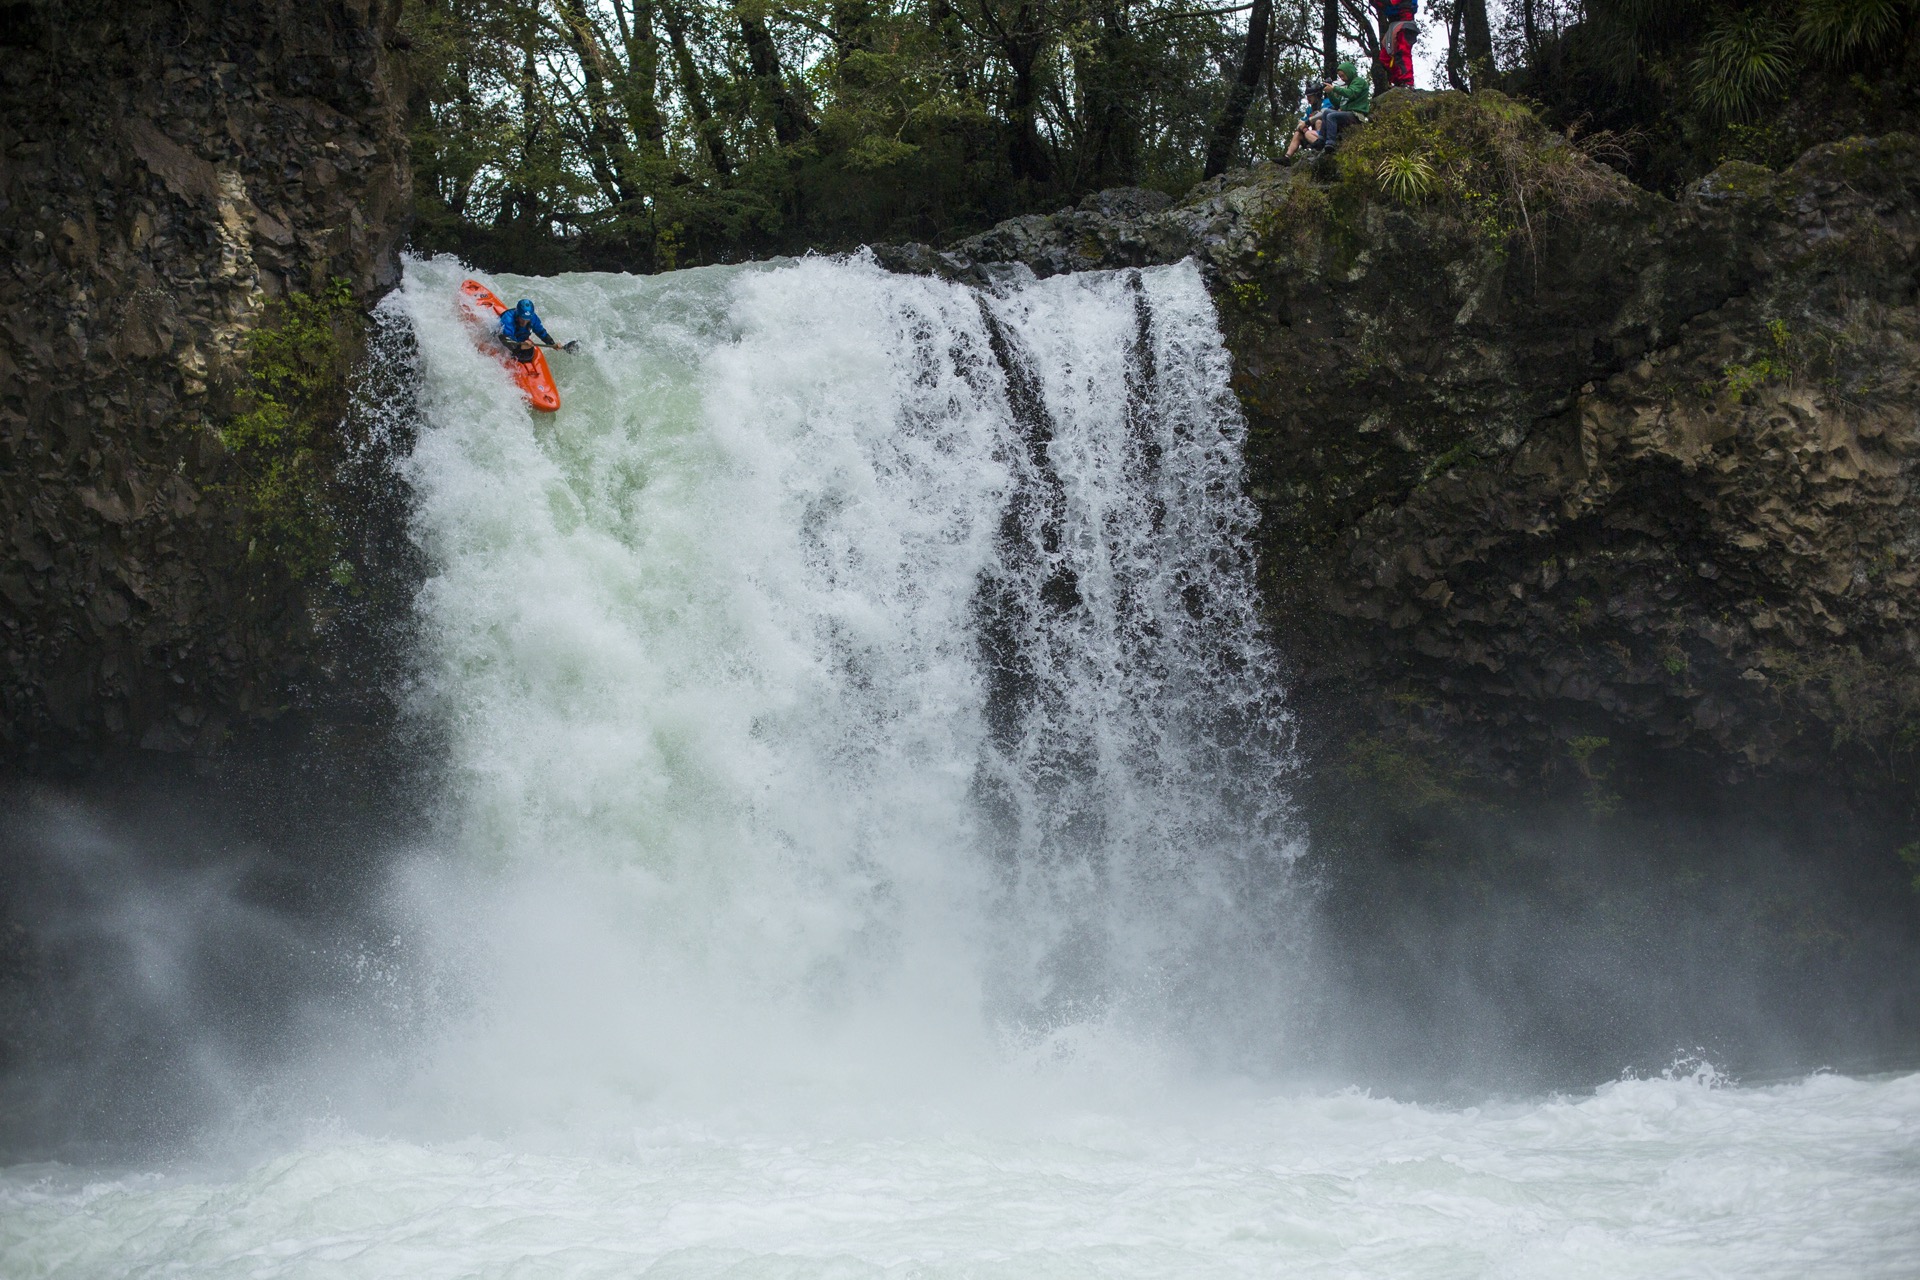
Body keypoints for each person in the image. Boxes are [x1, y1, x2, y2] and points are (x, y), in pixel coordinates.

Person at [1317, 59, 1372, 152]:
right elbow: (1338, 104)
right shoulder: (1347, 86)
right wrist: (1330, 93)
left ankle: (1330, 143)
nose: (1342, 78)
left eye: (1343, 75)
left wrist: (1334, 88)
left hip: (1356, 114)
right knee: (1326, 112)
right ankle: (1321, 140)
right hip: (1347, 112)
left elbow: (1351, 93)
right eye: (1340, 76)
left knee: (1331, 116)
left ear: (1349, 72)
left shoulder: (1359, 81)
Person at [498, 298, 576, 363]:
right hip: (503, 342)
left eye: (527, 319)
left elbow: (541, 332)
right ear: (518, 314)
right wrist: (520, 346)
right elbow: (505, 340)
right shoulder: (508, 319)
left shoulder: (533, 318)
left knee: (529, 352)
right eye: (522, 319)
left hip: (520, 342)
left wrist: (552, 343)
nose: (524, 322)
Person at [1372, 0, 1418, 90]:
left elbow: (1390, 2)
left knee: (1402, 51)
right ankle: (1398, 81)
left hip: (1405, 22)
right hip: (1394, 25)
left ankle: (1407, 82)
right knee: (1385, 56)